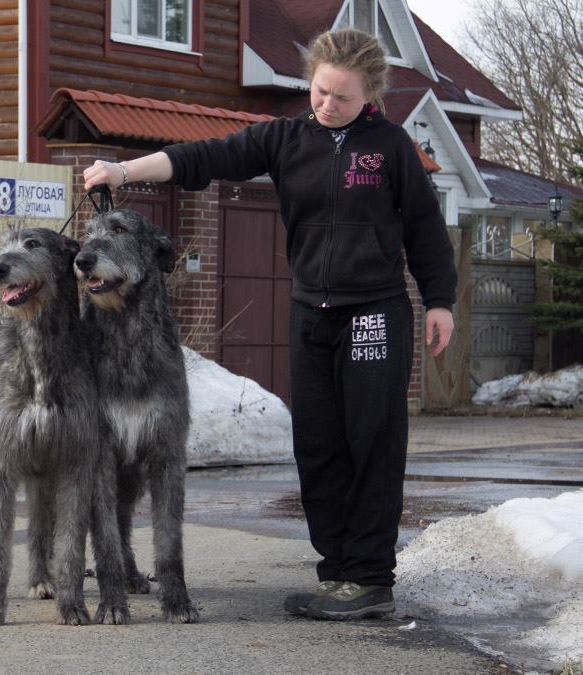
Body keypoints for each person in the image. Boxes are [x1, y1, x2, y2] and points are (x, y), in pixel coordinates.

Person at [82, 28, 456, 621]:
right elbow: (203, 156)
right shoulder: (286, 138)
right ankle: (338, 574)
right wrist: (123, 172)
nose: (327, 105)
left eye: (342, 98)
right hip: (311, 312)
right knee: (318, 444)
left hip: (373, 314)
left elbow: (427, 231)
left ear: (371, 96)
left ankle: (370, 577)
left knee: (372, 440)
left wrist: (440, 301)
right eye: (320, 91)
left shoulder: (390, 148)